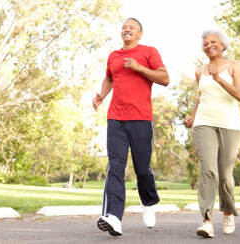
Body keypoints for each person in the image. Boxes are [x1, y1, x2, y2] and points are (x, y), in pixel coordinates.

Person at [93, 18, 170, 236]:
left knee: (142, 168)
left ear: (140, 34)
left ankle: (148, 201)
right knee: (115, 166)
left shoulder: (148, 52)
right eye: (124, 27)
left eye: (131, 28)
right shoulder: (113, 56)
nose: (126, 29)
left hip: (141, 118)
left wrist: (139, 67)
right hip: (116, 118)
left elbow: (165, 78)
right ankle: (114, 217)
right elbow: (109, 78)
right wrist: (101, 95)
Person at [183, 28, 240, 238]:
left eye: (213, 42)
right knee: (208, 171)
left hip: (231, 125)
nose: (209, 45)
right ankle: (207, 220)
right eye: (206, 43)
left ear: (223, 45)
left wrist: (218, 78)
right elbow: (202, 97)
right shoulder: (200, 71)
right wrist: (192, 116)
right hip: (204, 123)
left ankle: (228, 212)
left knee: (225, 175)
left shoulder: (234, 65)